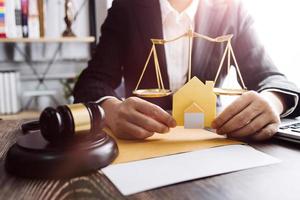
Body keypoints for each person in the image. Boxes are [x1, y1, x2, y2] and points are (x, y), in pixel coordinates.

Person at [73, 0, 300, 141]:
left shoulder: (232, 8)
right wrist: (111, 111)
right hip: (145, 137)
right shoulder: (127, 8)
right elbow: (92, 82)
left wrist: (272, 101)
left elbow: (271, 77)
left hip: (211, 135)